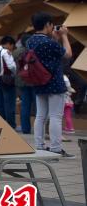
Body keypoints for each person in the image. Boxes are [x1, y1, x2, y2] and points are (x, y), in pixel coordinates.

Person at [28, 12, 73, 157]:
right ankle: (56, 148)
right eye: (51, 24)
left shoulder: (30, 41)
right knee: (55, 116)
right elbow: (67, 54)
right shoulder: (49, 43)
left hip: (38, 81)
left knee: (41, 115)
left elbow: (47, 53)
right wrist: (65, 36)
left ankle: (39, 145)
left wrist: (54, 38)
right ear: (47, 24)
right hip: (54, 82)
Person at [15, 33, 35, 134]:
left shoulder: (16, 52)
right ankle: (41, 129)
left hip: (21, 81)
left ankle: (25, 129)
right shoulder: (34, 50)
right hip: (33, 81)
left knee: (25, 105)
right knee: (38, 105)